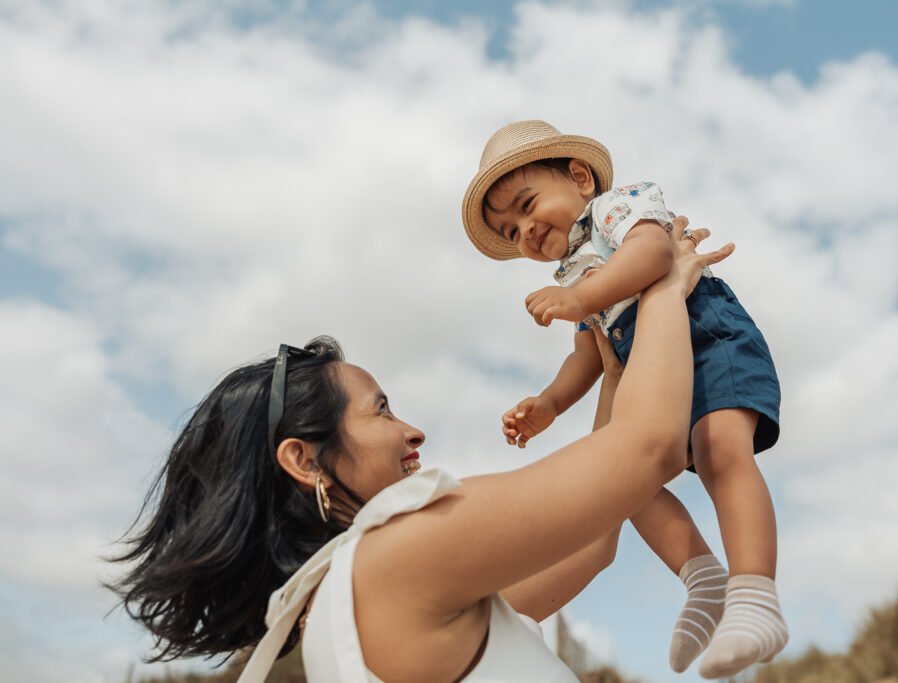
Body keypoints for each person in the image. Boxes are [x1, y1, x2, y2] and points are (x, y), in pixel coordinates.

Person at [110, 223, 732, 682]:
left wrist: (611, 361)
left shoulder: (344, 604)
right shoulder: (399, 556)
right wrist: (660, 291)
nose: (413, 432)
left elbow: (594, 539)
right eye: (380, 410)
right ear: (303, 461)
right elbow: (647, 447)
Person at [460, 120, 787, 677]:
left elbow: (655, 255)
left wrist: (579, 295)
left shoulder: (616, 209)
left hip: (708, 340)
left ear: (581, 178)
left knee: (718, 450)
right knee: (623, 483)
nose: (526, 229)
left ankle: (755, 597)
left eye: (527, 204)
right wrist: (550, 403)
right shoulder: (573, 270)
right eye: (511, 230)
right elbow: (589, 356)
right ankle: (702, 578)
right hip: (651, 375)